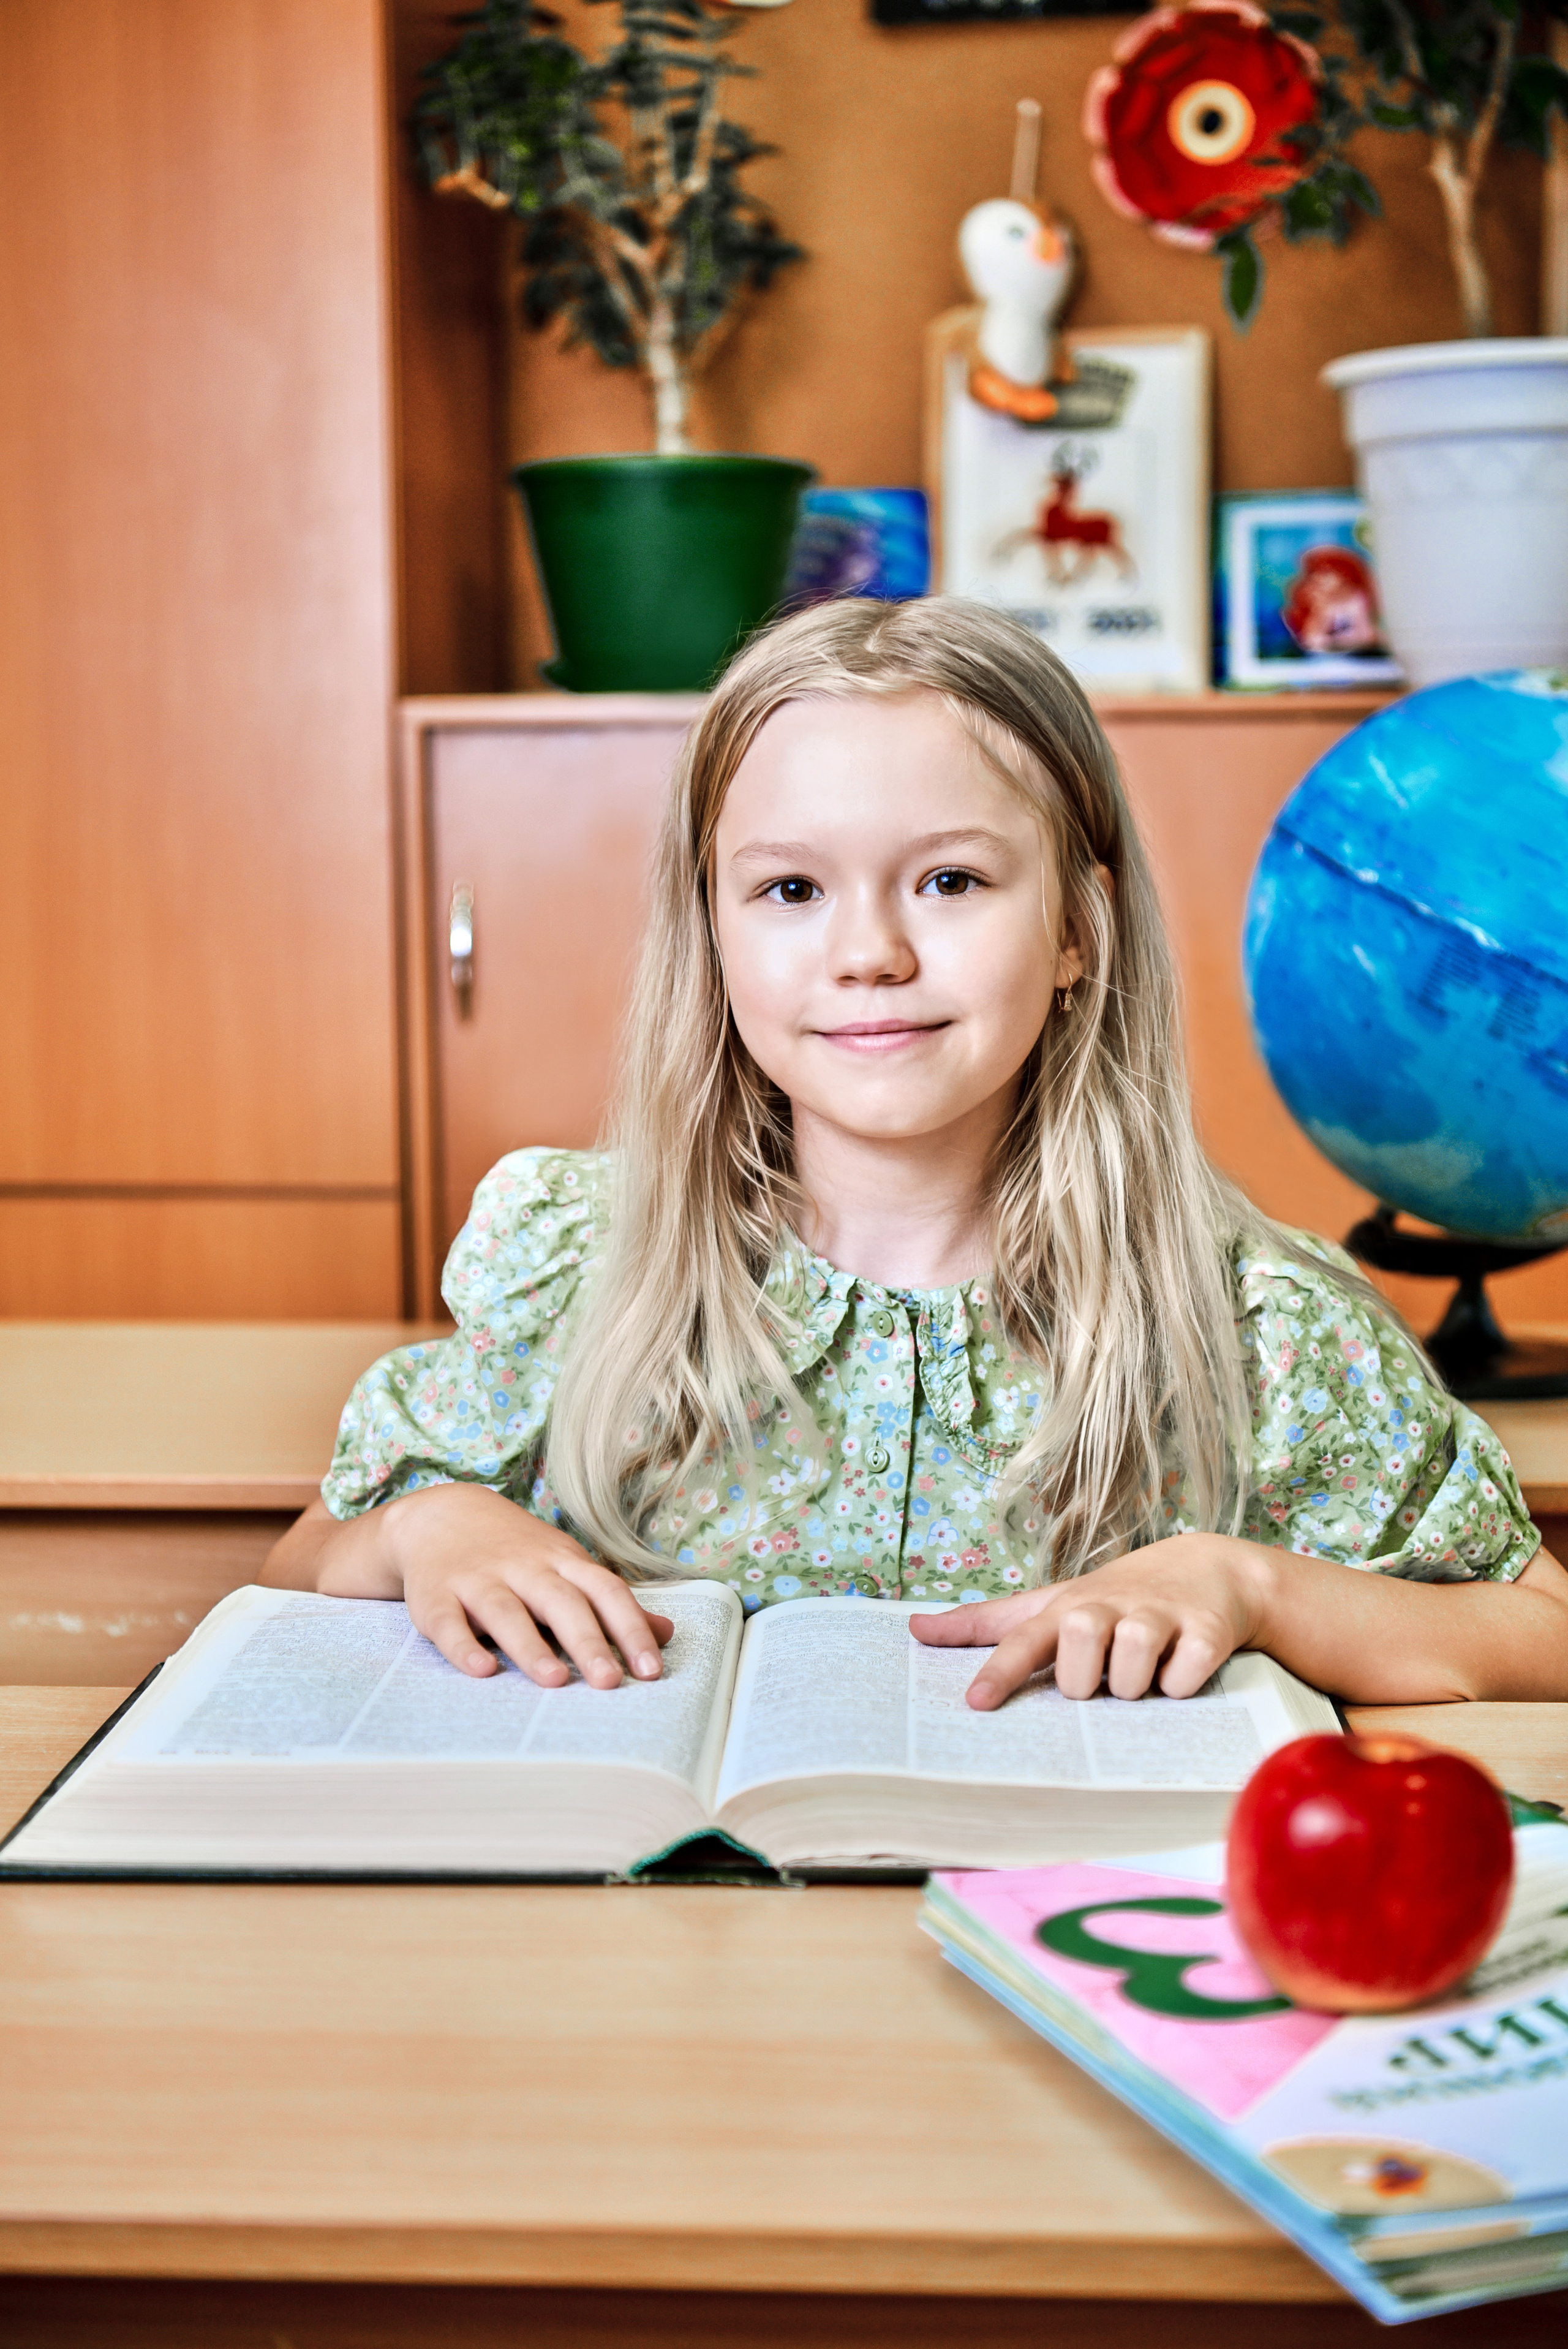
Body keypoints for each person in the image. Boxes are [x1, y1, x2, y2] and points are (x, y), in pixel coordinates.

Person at [264, 599, 1568, 1709]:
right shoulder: (572, 1261)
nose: (868, 952)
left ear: (1073, 928)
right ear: (711, 934)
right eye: (788, 891)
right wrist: (429, 1527)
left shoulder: (1255, 1326)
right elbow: (303, 1562)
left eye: (948, 881)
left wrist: (1250, 1584)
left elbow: (1535, 1629)